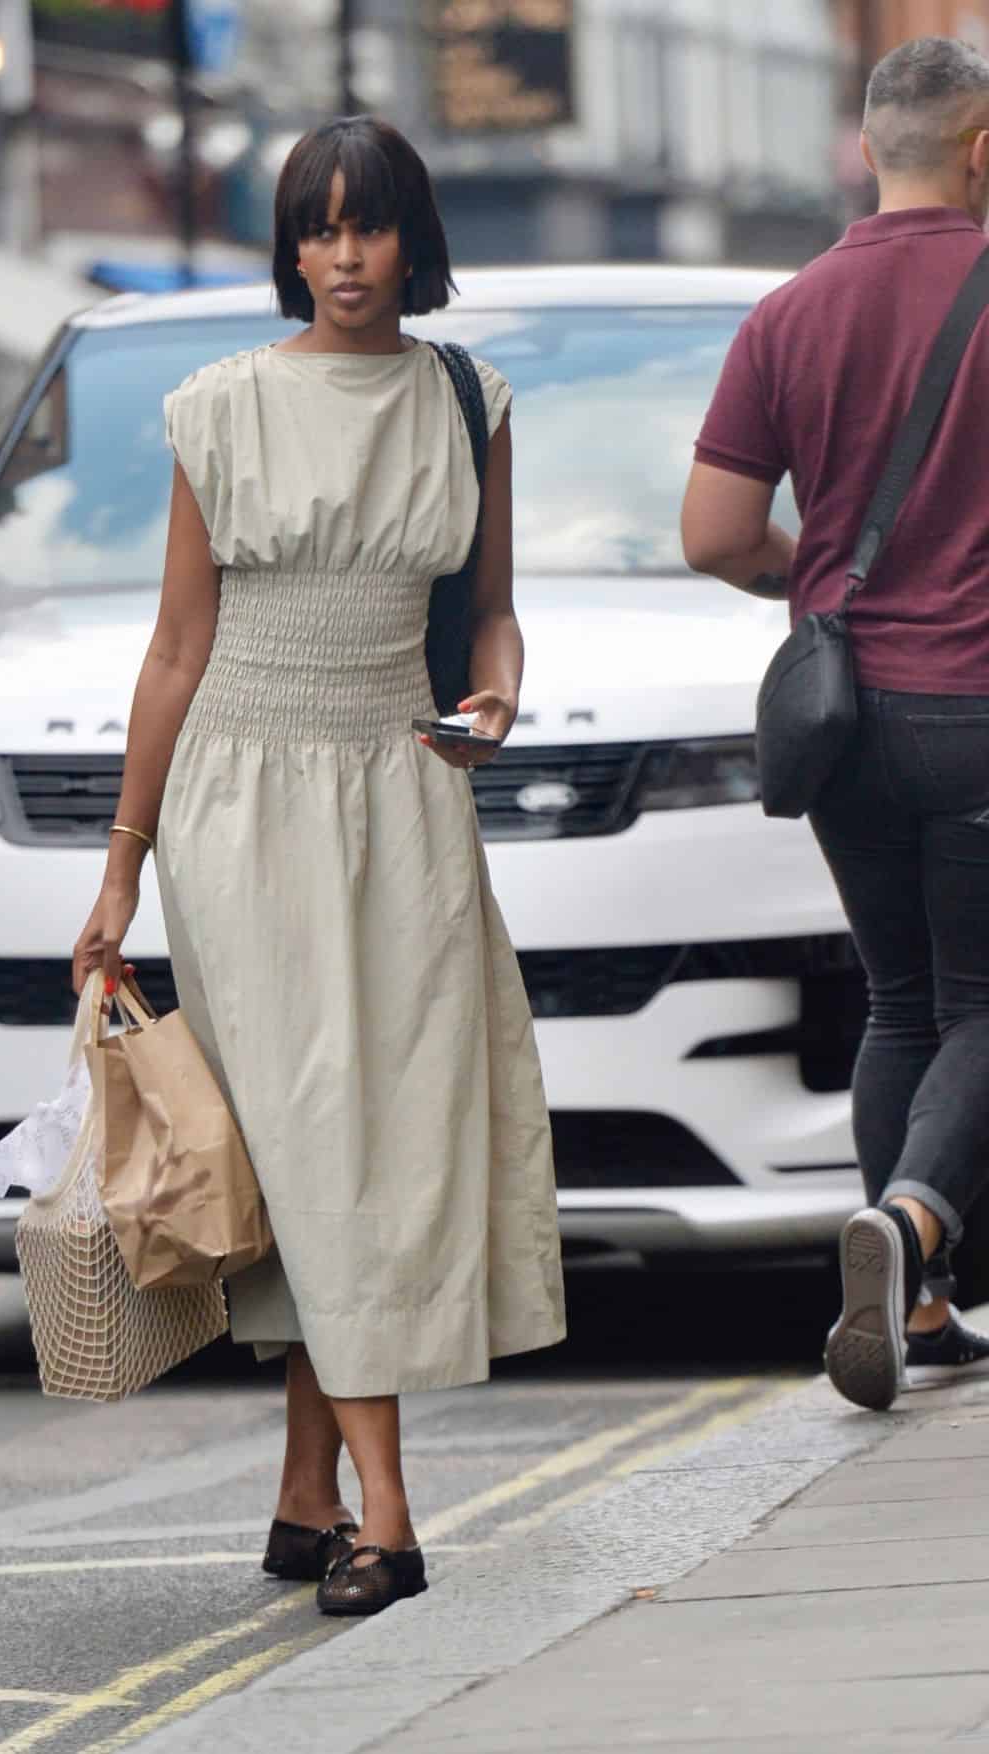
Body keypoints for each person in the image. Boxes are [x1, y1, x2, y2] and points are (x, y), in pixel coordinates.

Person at [71, 116, 566, 1611]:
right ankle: (393, 1517)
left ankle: (305, 1496)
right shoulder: (217, 408)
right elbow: (173, 648)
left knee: (372, 1139)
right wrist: (120, 867)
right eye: (318, 229)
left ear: (415, 238)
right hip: (241, 801)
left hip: (405, 785)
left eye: (370, 226)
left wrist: (498, 698)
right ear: (289, 251)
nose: (345, 256)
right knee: (314, 1136)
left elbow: (489, 612)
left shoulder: (468, 395)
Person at [681, 35, 989, 1414]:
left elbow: (716, 535)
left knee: (901, 1000)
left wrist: (813, 575)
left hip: (844, 714)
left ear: (868, 150)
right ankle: (917, 1222)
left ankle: (912, 1306)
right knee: (985, 999)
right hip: (978, 705)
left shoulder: (786, 313)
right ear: (982, 152)